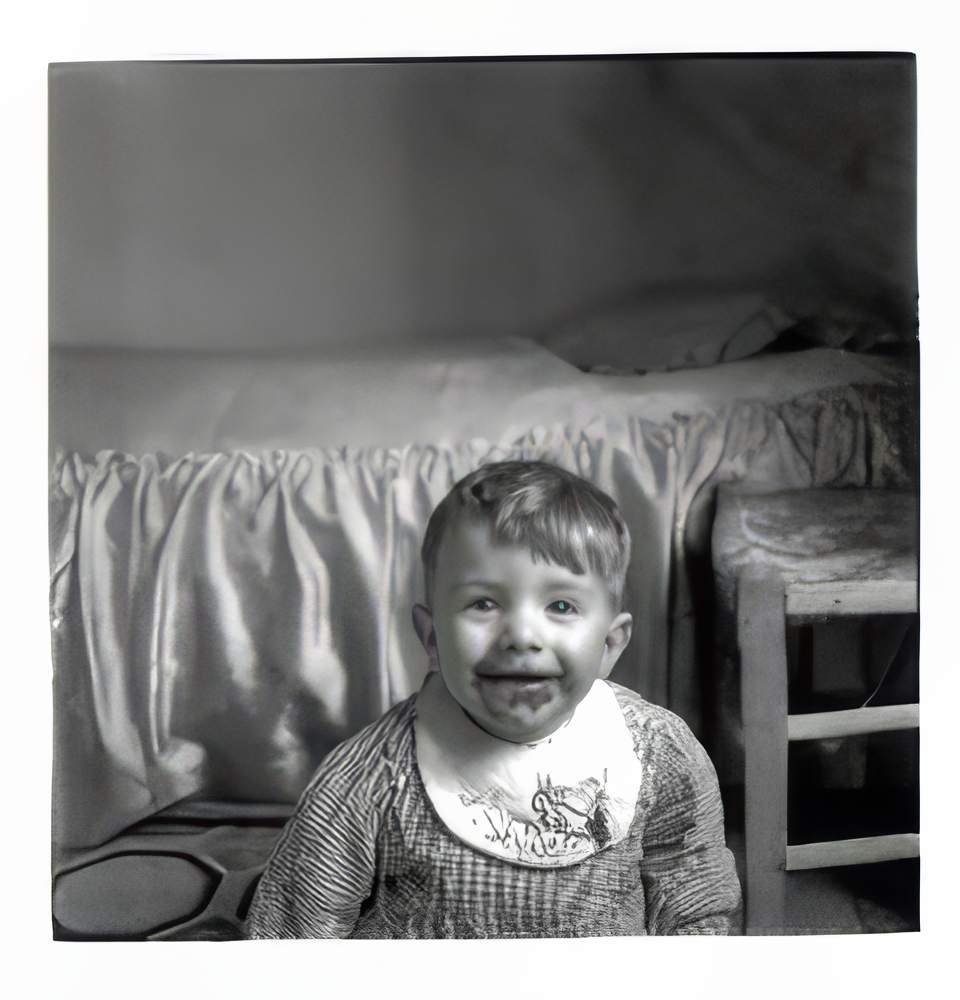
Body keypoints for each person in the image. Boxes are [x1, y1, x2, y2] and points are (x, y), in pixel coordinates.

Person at [245, 460, 741, 938]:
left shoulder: (659, 754)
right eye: (483, 603)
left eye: (561, 605)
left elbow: (695, 905)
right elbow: (291, 938)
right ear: (433, 639)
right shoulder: (370, 778)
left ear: (609, 645)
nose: (521, 636)